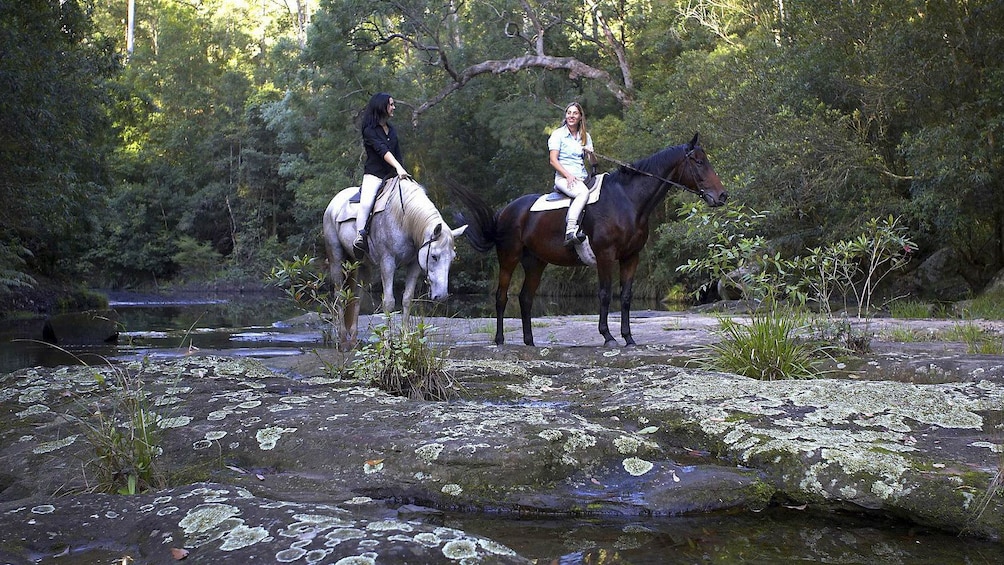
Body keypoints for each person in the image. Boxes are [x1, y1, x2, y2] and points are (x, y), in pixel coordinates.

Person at [353, 92, 409, 259]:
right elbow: (382, 150)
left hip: (393, 175)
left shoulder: (391, 130)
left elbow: (397, 153)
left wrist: (402, 171)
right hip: (375, 175)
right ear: (381, 106)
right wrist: (398, 168)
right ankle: (359, 237)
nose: (394, 107)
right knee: (366, 204)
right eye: (391, 104)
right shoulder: (369, 129)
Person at [548, 102, 598, 246]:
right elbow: (553, 160)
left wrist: (591, 153)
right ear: (566, 115)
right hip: (564, 178)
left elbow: (593, 163)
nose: (571, 116)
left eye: (575, 113)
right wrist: (568, 175)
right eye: (569, 112)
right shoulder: (558, 135)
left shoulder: (585, 136)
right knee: (583, 193)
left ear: (580, 116)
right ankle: (570, 230)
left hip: (582, 177)